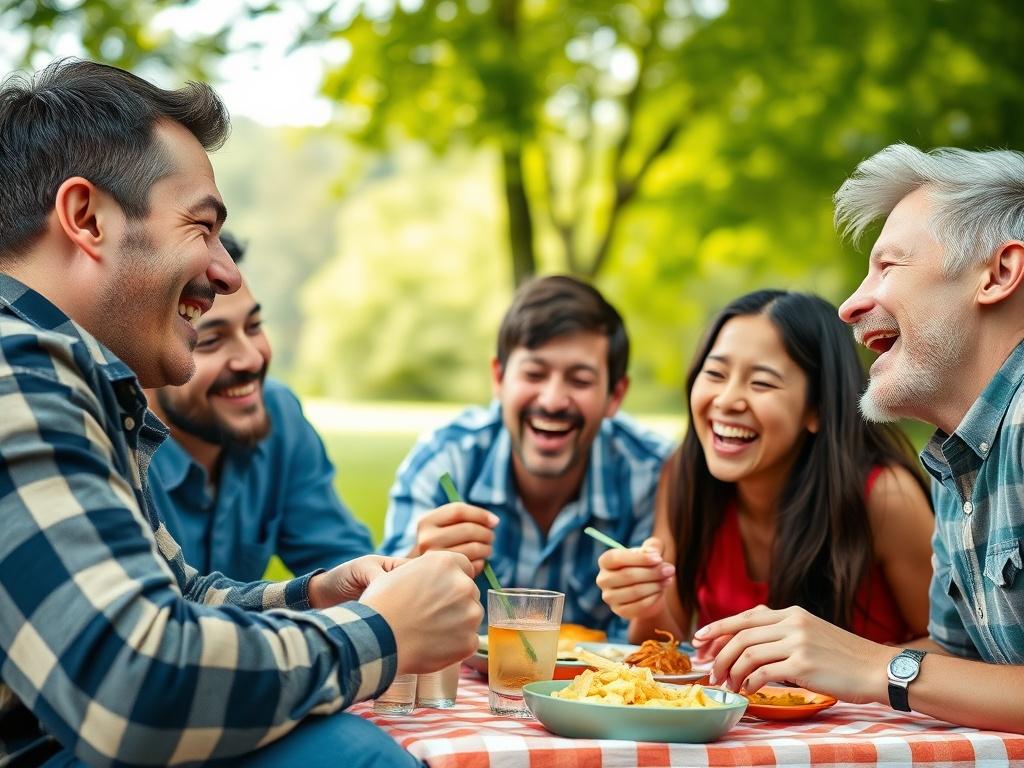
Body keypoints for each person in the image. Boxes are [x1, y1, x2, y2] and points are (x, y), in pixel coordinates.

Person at [0, 59, 481, 767]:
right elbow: (136, 682)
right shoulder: (19, 371)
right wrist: (379, 632)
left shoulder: (73, 380)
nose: (225, 272)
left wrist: (317, 596)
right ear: (86, 219)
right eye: (202, 227)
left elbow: (176, 599)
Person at [694, 145, 1024, 735]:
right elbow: (965, 667)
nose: (849, 306)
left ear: (998, 273)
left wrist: (876, 664)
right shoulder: (957, 458)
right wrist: (818, 656)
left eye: (888, 267)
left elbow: (908, 671)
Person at [596, 290, 934, 650]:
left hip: (870, 708)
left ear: (816, 408)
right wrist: (646, 603)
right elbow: (664, 642)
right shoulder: (684, 475)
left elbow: (957, 649)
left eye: (762, 382)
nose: (727, 400)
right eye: (715, 373)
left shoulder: (884, 498)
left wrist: (853, 667)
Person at [379, 275, 673, 636]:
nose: (551, 400)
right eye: (534, 374)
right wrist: (414, 562)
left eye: (579, 380)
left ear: (615, 395)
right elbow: (379, 619)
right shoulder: (445, 459)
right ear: (499, 379)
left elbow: (653, 646)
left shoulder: (653, 473)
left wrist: (647, 601)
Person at [146, 232, 373, 581]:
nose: (251, 358)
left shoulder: (277, 414)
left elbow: (346, 565)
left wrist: (402, 571)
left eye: (253, 327)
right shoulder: (114, 451)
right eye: (210, 341)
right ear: (139, 362)